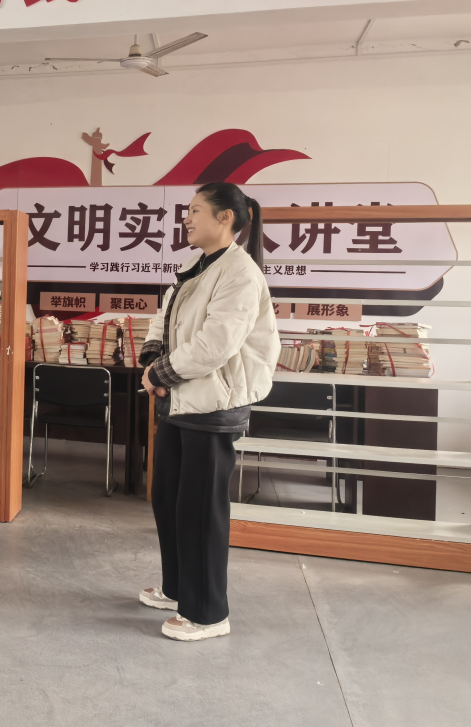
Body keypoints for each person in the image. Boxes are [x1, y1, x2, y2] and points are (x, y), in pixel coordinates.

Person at [137, 182, 279, 642]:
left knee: (200, 510)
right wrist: (152, 357)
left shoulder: (239, 272)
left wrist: (160, 373)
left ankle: (208, 613)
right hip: (182, 399)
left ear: (225, 218)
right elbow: (165, 317)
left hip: (213, 404)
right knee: (168, 499)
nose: (186, 218)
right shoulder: (196, 265)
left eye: (196, 210)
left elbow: (217, 344)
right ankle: (179, 590)